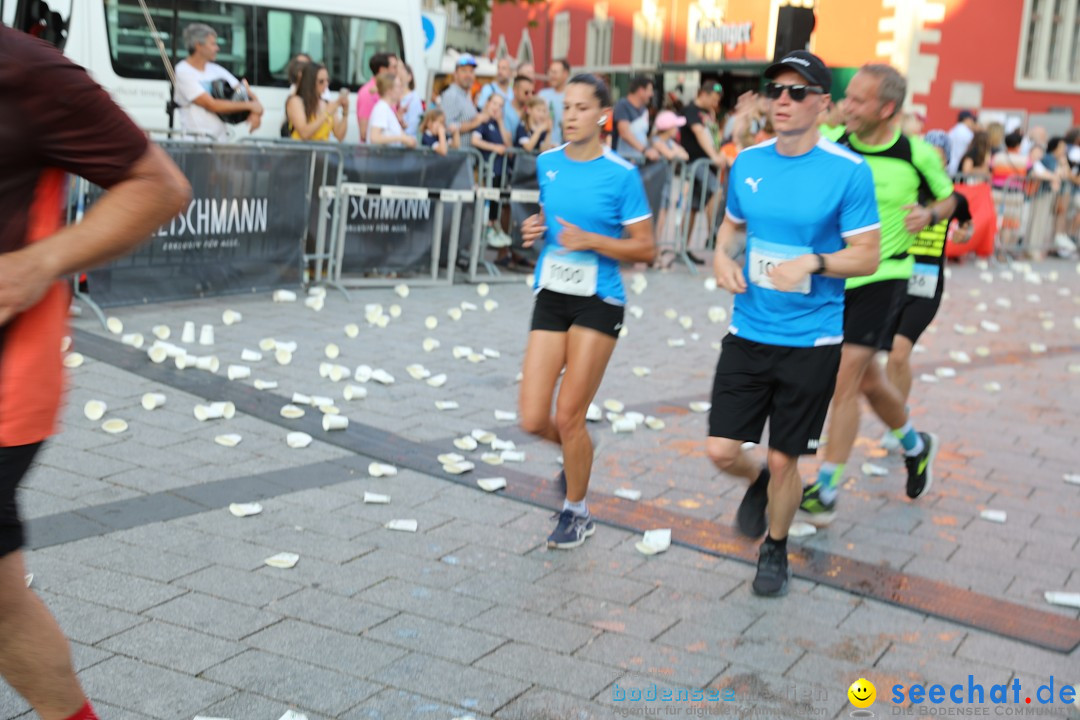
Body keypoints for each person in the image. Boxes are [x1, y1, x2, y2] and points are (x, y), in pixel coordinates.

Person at [0, 24, 191, 719]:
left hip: (5, 386)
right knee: (2, 606)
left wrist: (39, 261)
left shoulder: (26, 69)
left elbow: (161, 186)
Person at [708, 50, 881, 596]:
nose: (783, 100)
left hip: (812, 339)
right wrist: (720, 259)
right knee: (721, 450)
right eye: (775, 90)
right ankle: (755, 479)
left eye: (797, 92)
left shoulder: (849, 172)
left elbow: (868, 256)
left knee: (786, 459)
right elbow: (732, 229)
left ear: (824, 105)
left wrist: (816, 261)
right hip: (748, 329)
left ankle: (775, 550)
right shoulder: (749, 163)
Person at [798, 63, 956, 526]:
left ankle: (825, 490)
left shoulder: (917, 154)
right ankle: (915, 444)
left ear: (887, 109)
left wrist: (929, 214)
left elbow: (949, 199)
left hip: (884, 276)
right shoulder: (833, 141)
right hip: (834, 275)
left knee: (845, 379)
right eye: (848, 97)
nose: (847, 105)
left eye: (859, 100)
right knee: (868, 381)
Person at [518, 74, 655, 549]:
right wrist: (534, 229)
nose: (569, 116)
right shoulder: (547, 162)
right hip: (552, 293)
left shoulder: (621, 174)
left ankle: (576, 513)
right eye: (566, 107)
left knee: (570, 414)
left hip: (600, 298)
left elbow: (648, 249)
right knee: (534, 418)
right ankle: (578, 456)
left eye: (580, 109)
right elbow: (549, 215)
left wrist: (593, 241)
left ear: (602, 117)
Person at [881, 130, 973, 442]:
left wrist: (964, 234)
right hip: (894, 280)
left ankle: (898, 420)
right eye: (926, 151)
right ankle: (897, 414)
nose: (931, 158)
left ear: (947, 159)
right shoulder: (907, 188)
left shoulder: (952, 198)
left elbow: (967, 224)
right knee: (891, 356)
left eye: (938, 153)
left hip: (927, 284)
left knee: (898, 353)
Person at [173, 23, 263, 141]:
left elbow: (245, 90)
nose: (217, 48)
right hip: (196, 144)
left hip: (220, 142)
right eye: (213, 44)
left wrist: (256, 112)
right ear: (198, 46)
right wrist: (251, 106)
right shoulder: (183, 71)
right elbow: (211, 104)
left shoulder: (216, 69)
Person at [679, 79, 727, 265]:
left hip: (706, 165)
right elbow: (699, 133)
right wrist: (714, 156)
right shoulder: (691, 110)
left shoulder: (708, 113)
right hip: (695, 164)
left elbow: (714, 137)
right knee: (717, 191)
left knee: (693, 207)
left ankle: (683, 248)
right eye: (714, 99)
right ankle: (714, 234)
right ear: (703, 94)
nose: (716, 103)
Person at [472, 93, 513, 253]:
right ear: (488, 103)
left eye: (500, 105)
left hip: (499, 171)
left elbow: (508, 146)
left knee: (497, 199)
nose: (497, 108)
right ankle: (487, 228)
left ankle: (494, 226)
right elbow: (475, 140)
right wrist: (494, 148)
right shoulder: (482, 121)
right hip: (486, 171)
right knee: (486, 201)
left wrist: (501, 122)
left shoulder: (499, 124)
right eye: (494, 103)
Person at [285, 63, 348, 142]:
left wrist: (345, 112)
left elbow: (339, 136)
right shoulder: (295, 101)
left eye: (327, 80)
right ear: (310, 82)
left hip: (322, 152)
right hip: (301, 152)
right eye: (321, 81)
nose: (326, 84)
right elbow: (304, 133)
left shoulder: (327, 104)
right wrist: (326, 113)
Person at [439, 54, 487, 148]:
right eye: (464, 71)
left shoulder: (464, 96)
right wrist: (474, 123)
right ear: (455, 74)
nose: (468, 75)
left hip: (465, 159)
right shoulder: (451, 95)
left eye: (471, 71)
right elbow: (446, 126)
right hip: (454, 158)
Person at [612, 76, 659, 163]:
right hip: (624, 160)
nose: (652, 94)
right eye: (650, 90)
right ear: (641, 91)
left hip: (639, 160)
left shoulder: (644, 110)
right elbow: (624, 133)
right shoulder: (623, 105)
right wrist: (645, 151)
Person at [356, 51, 398, 141]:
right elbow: (364, 132)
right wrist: (401, 138)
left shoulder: (389, 92)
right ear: (382, 70)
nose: (396, 71)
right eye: (393, 67)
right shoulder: (366, 93)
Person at [367, 73, 416, 148]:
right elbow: (374, 138)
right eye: (399, 86)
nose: (402, 90)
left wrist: (407, 139)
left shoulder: (386, 109)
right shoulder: (381, 108)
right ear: (389, 90)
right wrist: (402, 138)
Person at [537, 58, 570, 145]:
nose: (551, 75)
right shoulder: (542, 95)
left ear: (565, 74)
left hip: (564, 148)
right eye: (550, 72)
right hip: (543, 148)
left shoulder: (571, 97)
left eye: (555, 72)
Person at [946, 110, 977, 176]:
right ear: (967, 119)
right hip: (960, 165)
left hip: (950, 164)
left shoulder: (952, 131)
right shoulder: (967, 133)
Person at [505, 74, 534, 139]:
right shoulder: (504, 109)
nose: (530, 96)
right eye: (526, 92)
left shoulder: (532, 110)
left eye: (532, 92)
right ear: (515, 90)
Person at [399, 63, 425, 138]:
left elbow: (413, 126)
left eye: (401, 76)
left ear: (410, 77)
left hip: (407, 142)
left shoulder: (414, 98)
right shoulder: (393, 96)